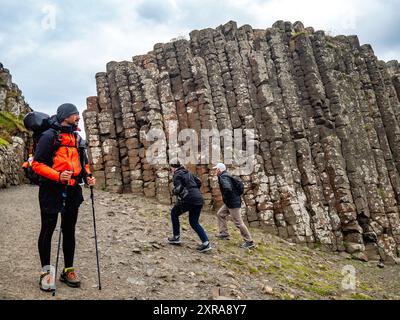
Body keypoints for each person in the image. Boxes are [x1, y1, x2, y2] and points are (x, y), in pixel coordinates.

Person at [31, 103, 96, 292]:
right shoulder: (49, 136)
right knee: (48, 230)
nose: (78, 116)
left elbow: (83, 163)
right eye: (75, 114)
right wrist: (57, 176)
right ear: (65, 116)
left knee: (69, 230)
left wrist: (87, 177)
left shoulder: (77, 138)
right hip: (51, 190)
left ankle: (68, 270)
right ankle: (45, 272)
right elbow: (37, 164)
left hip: (74, 189)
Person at [167, 162, 212, 253]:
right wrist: (194, 190)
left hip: (188, 199)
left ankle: (176, 237)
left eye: (171, 167)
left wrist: (174, 191)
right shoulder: (188, 173)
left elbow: (178, 188)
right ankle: (206, 242)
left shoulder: (177, 175)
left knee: (174, 213)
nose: (171, 169)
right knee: (194, 222)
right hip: (198, 199)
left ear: (173, 168)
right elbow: (199, 181)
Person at [213, 163, 255, 249]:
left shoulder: (223, 177)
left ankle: (249, 241)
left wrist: (225, 196)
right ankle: (224, 233)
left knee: (238, 223)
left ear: (219, 170)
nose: (215, 171)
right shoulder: (227, 175)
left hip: (232, 203)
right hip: (231, 202)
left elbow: (227, 188)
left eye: (216, 169)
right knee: (220, 214)